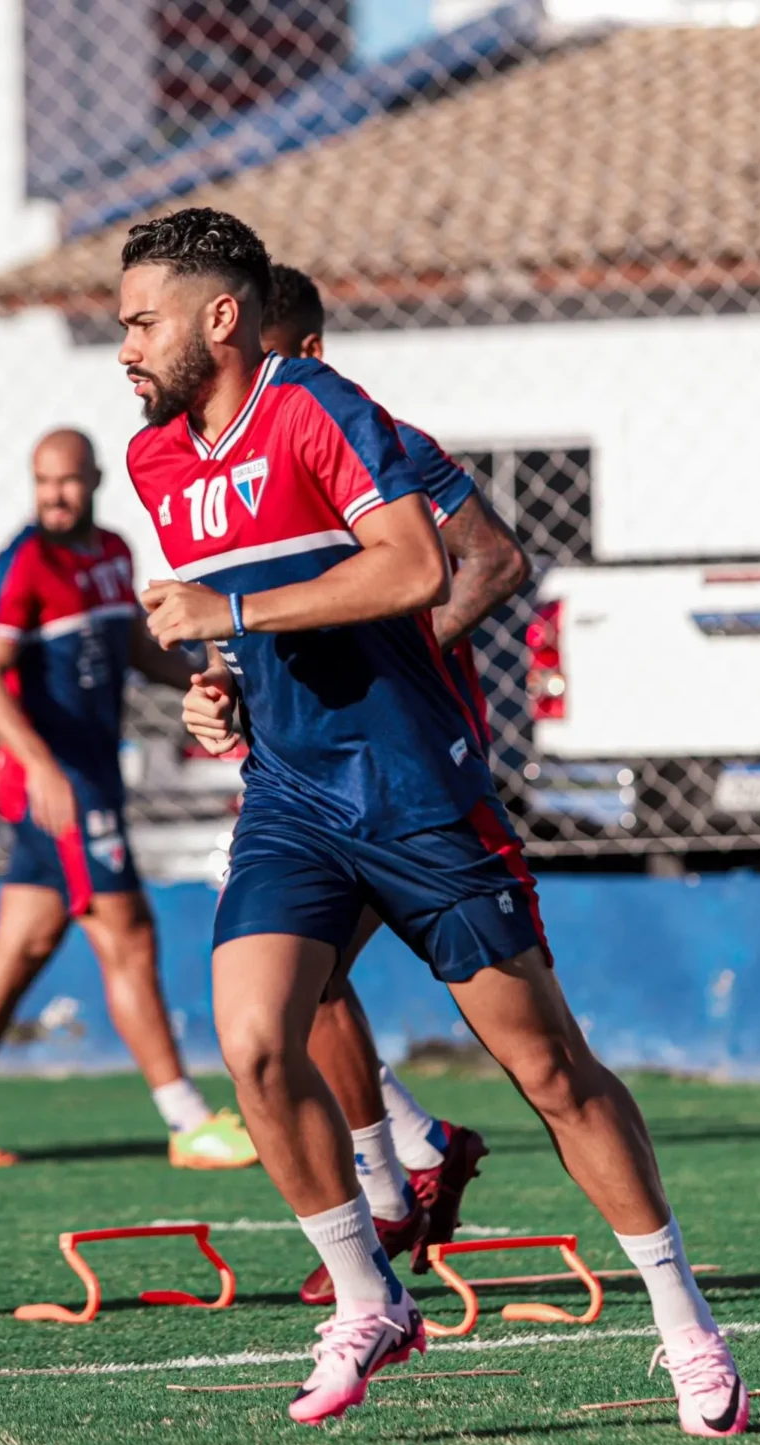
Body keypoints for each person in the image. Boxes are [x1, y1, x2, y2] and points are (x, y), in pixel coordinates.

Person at [122, 207, 746, 1435]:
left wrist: (231, 624)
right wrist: (219, 691)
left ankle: (684, 1324)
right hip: (289, 799)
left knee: (549, 1071)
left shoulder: (317, 409)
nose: (124, 346)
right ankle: (369, 1298)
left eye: (141, 321)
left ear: (220, 318)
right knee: (255, 1043)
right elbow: (240, 616)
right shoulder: (155, 461)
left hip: (413, 794)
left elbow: (416, 568)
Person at [260, 263, 531, 1305]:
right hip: (313, 768)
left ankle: (401, 1173)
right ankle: (408, 1158)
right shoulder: (245, 473)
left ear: (308, 356)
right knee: (295, 982)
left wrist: (402, 659)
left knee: (531, 1046)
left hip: (410, 766)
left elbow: (495, 561)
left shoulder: (385, 445)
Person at [0, 428, 257, 1173]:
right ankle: (187, 1120)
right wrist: (40, 768)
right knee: (127, 937)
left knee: (23, 944)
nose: (54, 496)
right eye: (42, 483)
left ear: (94, 479)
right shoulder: (21, 562)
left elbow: (130, 646)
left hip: (92, 777)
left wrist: (206, 677)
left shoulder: (113, 551)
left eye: (66, 481)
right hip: (59, 788)